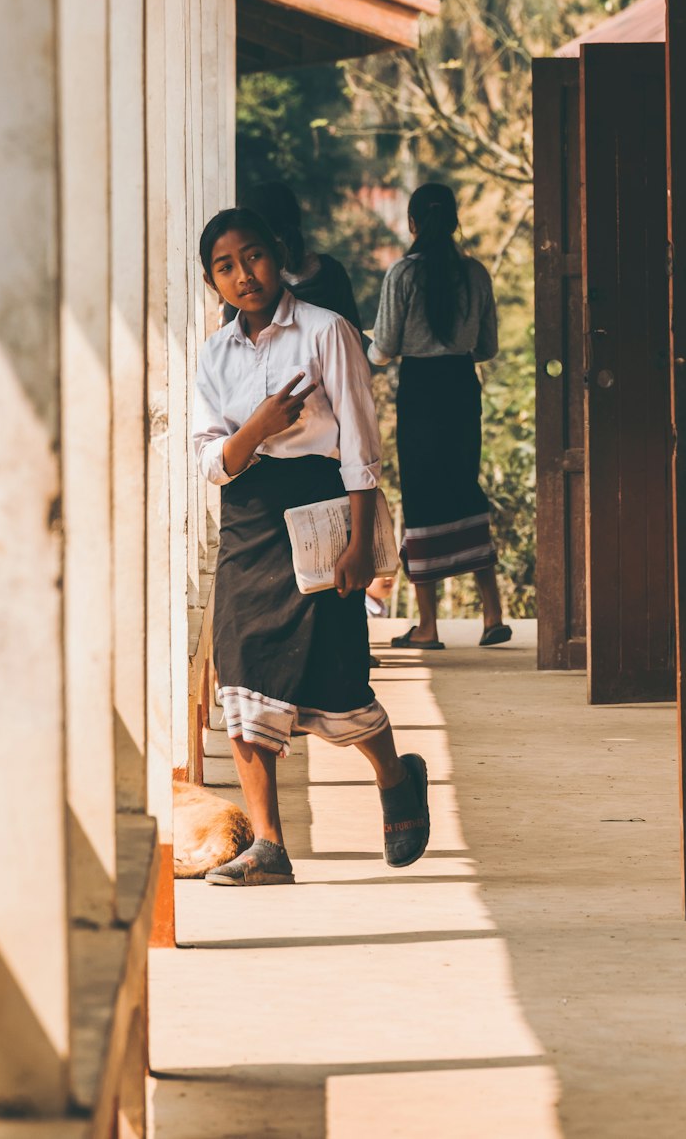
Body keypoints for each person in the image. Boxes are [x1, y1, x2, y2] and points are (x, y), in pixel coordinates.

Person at [193, 207, 430, 886]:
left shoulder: (328, 332)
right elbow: (212, 460)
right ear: (213, 281)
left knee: (337, 681)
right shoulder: (215, 354)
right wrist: (260, 426)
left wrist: (359, 542)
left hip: (321, 514)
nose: (245, 275)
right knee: (240, 676)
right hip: (248, 519)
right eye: (225, 266)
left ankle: (395, 775)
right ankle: (269, 846)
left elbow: (359, 442)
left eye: (255, 256)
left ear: (281, 256)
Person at [369, 182, 511, 651]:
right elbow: (487, 348)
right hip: (461, 388)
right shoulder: (475, 274)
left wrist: (361, 342)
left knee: (423, 496)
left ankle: (427, 626)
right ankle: (492, 614)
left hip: (421, 392)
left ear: (412, 224)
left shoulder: (403, 274)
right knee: (464, 488)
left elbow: (385, 348)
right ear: (454, 221)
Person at [222, 180, 364, 341]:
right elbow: (354, 337)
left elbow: (230, 344)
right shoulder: (331, 271)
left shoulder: (249, 281)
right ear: (297, 216)